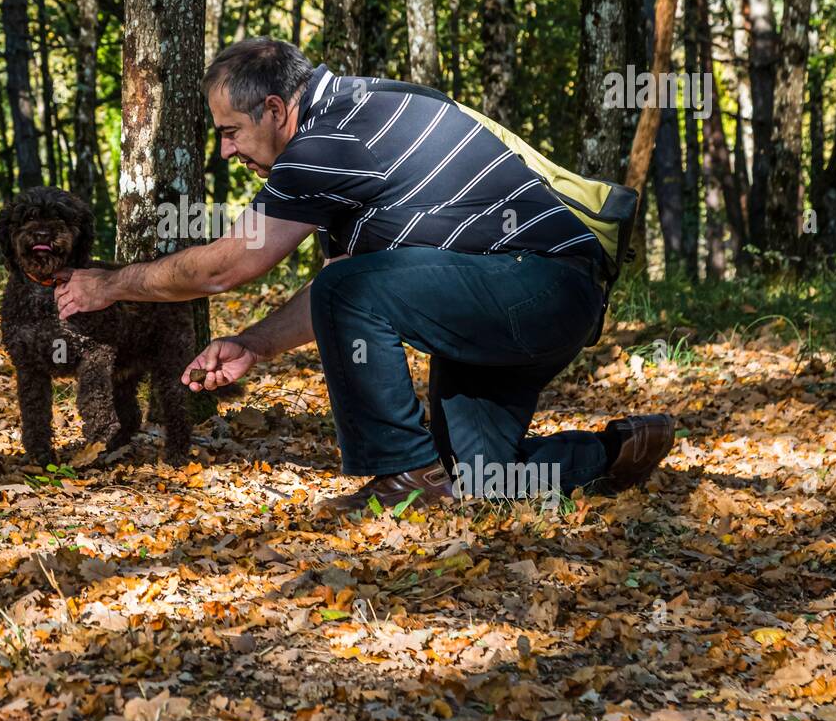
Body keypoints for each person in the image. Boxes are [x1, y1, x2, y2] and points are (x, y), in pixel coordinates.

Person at [53, 38, 674, 513]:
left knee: (353, 302)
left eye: (231, 132)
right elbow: (347, 278)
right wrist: (255, 344)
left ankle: (405, 471)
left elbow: (229, 265)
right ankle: (617, 453)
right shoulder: (356, 116)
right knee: (483, 478)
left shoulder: (329, 140)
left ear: (274, 109)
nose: (226, 152)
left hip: (533, 287)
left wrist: (108, 285)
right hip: (528, 296)